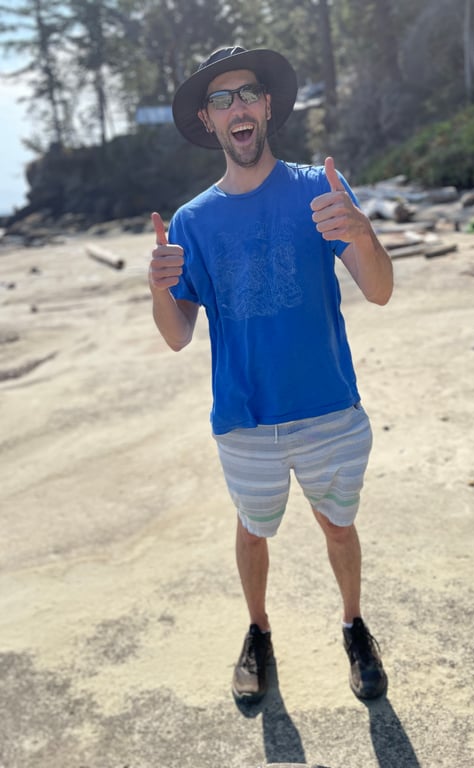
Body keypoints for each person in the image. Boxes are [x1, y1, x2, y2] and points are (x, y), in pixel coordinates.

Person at [148, 45, 394, 703]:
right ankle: (258, 631)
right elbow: (177, 336)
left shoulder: (320, 189)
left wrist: (364, 235)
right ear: (208, 120)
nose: (238, 108)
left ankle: (353, 624)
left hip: (329, 409)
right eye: (222, 99)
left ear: (267, 105)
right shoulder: (192, 222)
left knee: (337, 527)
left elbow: (378, 292)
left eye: (248, 93)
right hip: (244, 419)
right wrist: (157, 288)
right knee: (253, 528)